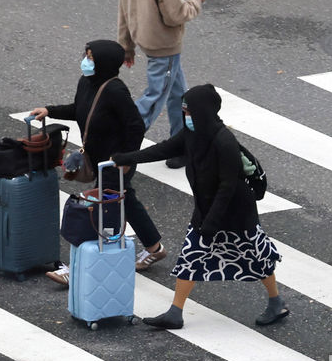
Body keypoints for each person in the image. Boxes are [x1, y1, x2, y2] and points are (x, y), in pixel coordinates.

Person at [112, 84, 289, 329]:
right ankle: (175, 312)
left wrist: (211, 223)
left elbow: (227, 187)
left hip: (236, 213)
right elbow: (164, 148)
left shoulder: (224, 141)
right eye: (184, 111)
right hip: (207, 209)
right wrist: (129, 157)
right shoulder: (191, 133)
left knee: (255, 257)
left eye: (189, 111)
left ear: (203, 111)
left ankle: (276, 303)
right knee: (190, 256)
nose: (186, 116)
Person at [31, 39, 168, 285]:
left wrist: (125, 158)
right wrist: (49, 110)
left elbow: (135, 125)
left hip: (115, 161)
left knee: (102, 210)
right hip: (98, 158)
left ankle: (78, 269)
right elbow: (79, 109)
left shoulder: (115, 90)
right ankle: (154, 247)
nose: (86, 60)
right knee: (125, 200)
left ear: (104, 62)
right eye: (86, 55)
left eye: (91, 57)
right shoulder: (87, 82)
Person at [118, 0, 211, 169]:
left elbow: (124, 5)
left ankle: (182, 144)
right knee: (155, 97)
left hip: (143, 36)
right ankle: (122, 144)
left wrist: (126, 46)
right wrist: (195, 3)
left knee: (178, 93)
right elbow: (174, 15)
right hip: (164, 45)